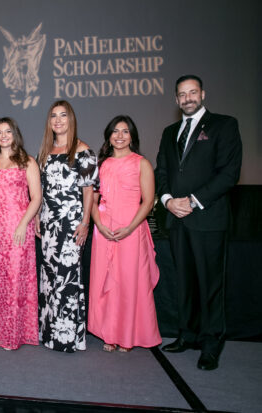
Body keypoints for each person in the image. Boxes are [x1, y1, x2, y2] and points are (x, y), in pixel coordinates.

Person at [155, 75, 242, 370]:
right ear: (176, 99)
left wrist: (191, 201)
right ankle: (187, 335)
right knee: (185, 283)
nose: (187, 98)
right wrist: (167, 200)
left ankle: (211, 343)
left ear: (203, 94)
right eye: (182, 94)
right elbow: (163, 172)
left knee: (210, 284)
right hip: (177, 220)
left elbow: (228, 174)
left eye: (193, 92)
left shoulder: (224, 125)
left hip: (208, 218)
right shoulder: (169, 132)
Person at [88, 115, 161, 352]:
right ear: (108, 136)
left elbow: (148, 201)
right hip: (104, 231)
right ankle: (109, 334)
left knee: (128, 284)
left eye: (125, 131)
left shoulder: (142, 163)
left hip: (131, 230)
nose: (120, 136)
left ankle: (127, 337)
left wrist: (130, 227)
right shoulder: (102, 165)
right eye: (115, 131)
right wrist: (98, 224)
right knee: (106, 283)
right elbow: (93, 201)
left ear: (132, 136)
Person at [36, 100, 97, 353]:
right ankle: (48, 333)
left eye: (63, 115)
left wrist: (85, 223)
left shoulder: (84, 151)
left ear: (71, 119)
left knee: (68, 279)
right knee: (49, 278)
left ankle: (68, 337)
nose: (58, 120)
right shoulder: (45, 151)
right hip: (49, 224)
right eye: (53, 116)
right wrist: (39, 216)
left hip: (72, 224)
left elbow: (89, 192)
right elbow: (43, 190)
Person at [0, 117, 40, 350]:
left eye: (7, 131)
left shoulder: (28, 161)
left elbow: (36, 197)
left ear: (15, 134)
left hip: (19, 228)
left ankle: (14, 334)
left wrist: (22, 224)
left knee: (16, 280)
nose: (3, 136)